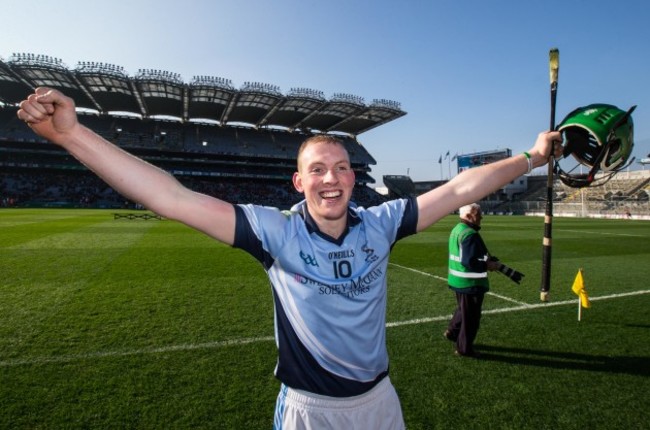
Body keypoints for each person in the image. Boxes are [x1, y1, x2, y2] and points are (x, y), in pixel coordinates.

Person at [17, 87, 563, 429]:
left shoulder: (382, 223)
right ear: (299, 181)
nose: (333, 178)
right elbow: (171, 198)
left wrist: (533, 157)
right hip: (310, 411)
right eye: (319, 169)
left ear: (354, 177)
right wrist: (73, 137)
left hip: (380, 402)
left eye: (343, 167)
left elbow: (462, 186)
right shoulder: (273, 231)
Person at [443, 203, 497, 358]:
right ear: (467, 216)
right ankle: (464, 349)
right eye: (477, 213)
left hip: (458, 280)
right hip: (470, 282)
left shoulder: (457, 229)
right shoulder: (470, 234)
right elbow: (470, 262)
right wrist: (489, 265)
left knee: (462, 310)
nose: (481, 216)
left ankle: (452, 332)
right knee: (471, 318)